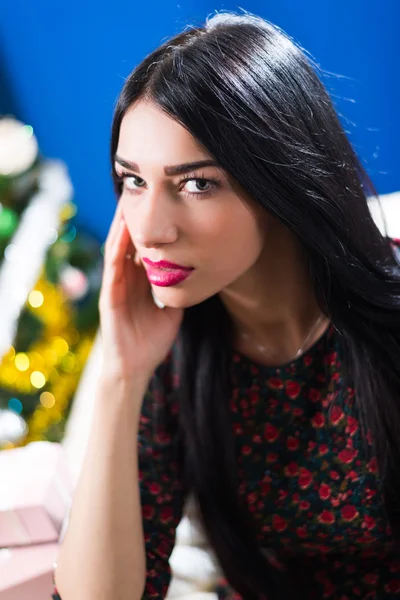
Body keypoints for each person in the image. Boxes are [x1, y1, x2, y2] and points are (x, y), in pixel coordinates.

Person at [52, 10, 400, 600]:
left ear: (278, 184)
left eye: (196, 184)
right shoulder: (172, 349)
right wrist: (119, 372)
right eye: (132, 181)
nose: (151, 228)